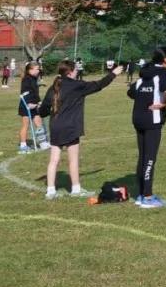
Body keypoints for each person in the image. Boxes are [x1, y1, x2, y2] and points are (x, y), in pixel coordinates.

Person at [40, 59, 121, 199]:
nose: (77, 71)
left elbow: (43, 112)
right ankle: (76, 189)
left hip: (56, 127)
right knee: (73, 159)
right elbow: (99, 85)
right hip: (71, 127)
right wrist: (113, 74)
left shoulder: (53, 87)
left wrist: (41, 108)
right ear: (70, 72)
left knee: (54, 160)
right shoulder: (77, 85)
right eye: (76, 69)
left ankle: (50, 190)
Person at [129, 48, 166, 208]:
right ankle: (148, 198)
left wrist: (144, 97)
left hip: (138, 118)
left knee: (142, 156)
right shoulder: (163, 74)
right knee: (150, 158)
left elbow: (131, 92)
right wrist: (164, 103)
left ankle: (141, 194)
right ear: (165, 60)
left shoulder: (144, 75)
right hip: (152, 121)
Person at [17, 61, 49, 152]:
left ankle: (43, 143)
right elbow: (25, 92)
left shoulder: (33, 78)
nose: (39, 70)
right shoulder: (27, 79)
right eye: (37, 69)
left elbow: (34, 90)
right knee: (25, 125)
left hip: (34, 105)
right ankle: (23, 146)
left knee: (39, 124)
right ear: (30, 70)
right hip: (26, 105)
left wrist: (38, 102)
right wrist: (29, 104)